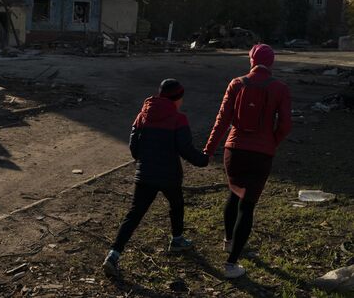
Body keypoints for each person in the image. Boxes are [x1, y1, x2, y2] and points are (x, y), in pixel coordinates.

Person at [102, 79, 209, 278]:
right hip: (170, 175)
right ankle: (177, 240)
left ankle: (113, 254)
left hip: (145, 174)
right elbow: (185, 149)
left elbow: (134, 147)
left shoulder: (143, 115)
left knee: (134, 215)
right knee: (176, 205)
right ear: (177, 98)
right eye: (181, 98)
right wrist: (203, 160)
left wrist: (144, 160)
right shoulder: (179, 119)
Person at [204, 44, 292, 279]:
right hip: (261, 154)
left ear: (251, 60)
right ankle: (232, 264)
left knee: (234, 194)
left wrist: (209, 148)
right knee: (248, 205)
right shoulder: (280, 88)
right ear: (271, 63)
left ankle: (228, 241)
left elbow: (222, 119)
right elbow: (285, 124)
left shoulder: (237, 83)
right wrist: (272, 142)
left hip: (234, 150)